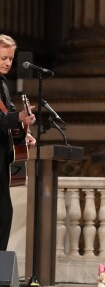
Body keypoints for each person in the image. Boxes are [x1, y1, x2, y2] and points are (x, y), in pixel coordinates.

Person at [0, 34, 36, 251]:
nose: (7, 63)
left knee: (4, 214)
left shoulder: (2, 85)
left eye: (10, 59)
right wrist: (18, 117)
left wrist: (24, 132)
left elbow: (10, 115)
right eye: (3, 57)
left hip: (3, 158)